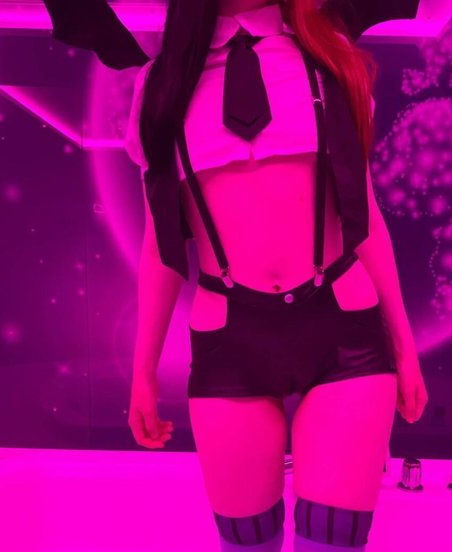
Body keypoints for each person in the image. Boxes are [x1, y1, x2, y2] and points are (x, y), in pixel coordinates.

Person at [122, 0, 429, 550]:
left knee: (332, 540)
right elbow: (158, 248)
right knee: (246, 543)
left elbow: (365, 218)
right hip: (229, 340)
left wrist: (406, 350)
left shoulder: (329, 59)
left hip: (342, 323)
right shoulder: (162, 85)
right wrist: (142, 371)